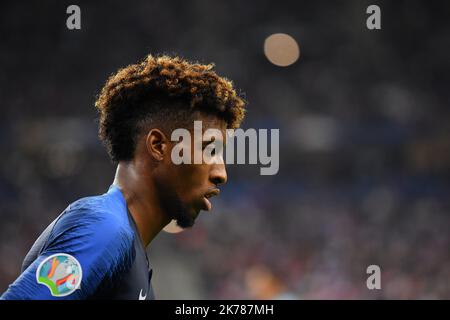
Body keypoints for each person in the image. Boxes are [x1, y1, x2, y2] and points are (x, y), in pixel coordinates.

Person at [1, 54, 246, 299]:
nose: (221, 173)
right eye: (210, 150)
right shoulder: (104, 228)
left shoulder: (128, 250)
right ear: (159, 146)